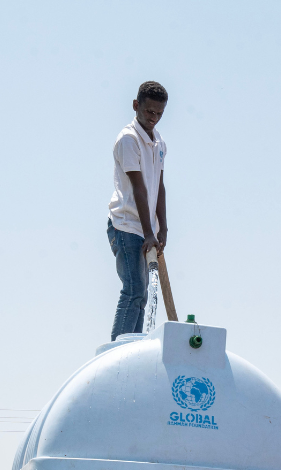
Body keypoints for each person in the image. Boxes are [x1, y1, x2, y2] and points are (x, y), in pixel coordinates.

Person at [108, 81, 168, 341]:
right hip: (127, 226)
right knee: (133, 289)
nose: (153, 118)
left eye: (159, 114)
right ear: (136, 106)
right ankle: (117, 352)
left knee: (142, 295)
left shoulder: (159, 143)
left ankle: (132, 348)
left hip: (146, 229)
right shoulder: (129, 139)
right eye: (149, 112)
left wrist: (161, 227)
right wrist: (148, 232)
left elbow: (160, 186)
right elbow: (139, 188)